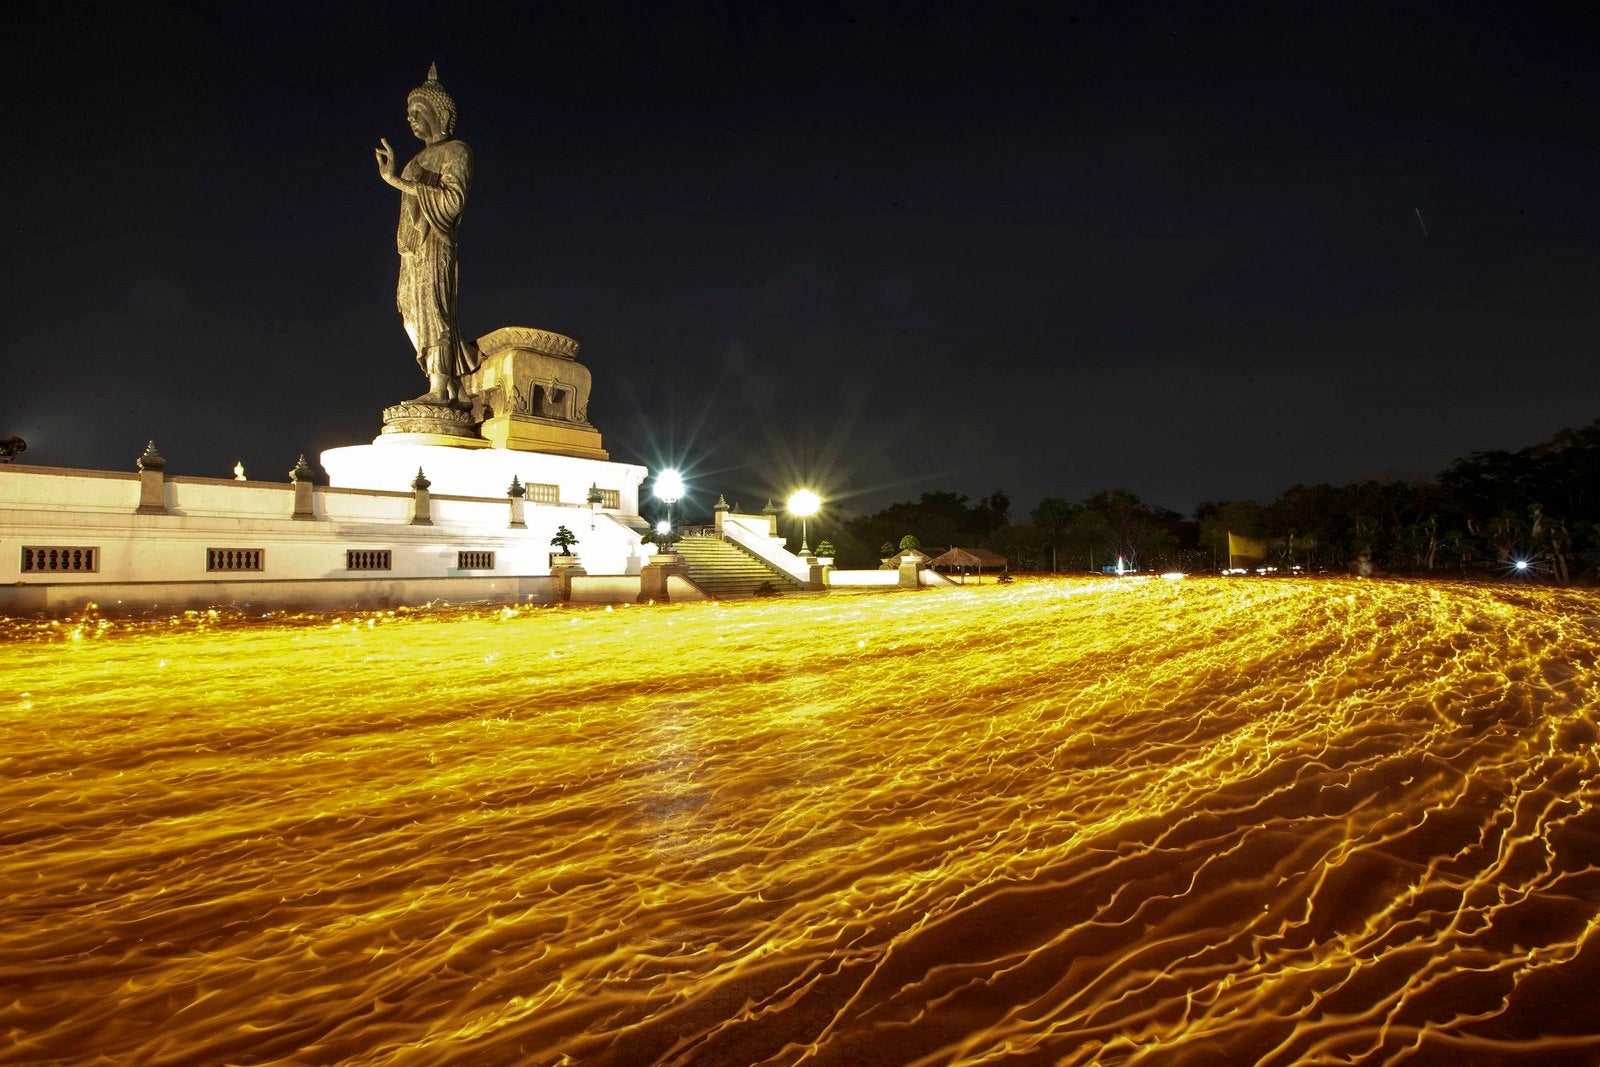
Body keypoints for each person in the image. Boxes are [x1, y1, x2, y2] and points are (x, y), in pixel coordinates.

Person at [375, 64, 476, 407]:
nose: (411, 118)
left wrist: (398, 182)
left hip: (437, 244)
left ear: (439, 113)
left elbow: (452, 201)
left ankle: (439, 386)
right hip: (413, 251)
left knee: (435, 311)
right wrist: (400, 178)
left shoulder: (456, 151)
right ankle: (452, 389)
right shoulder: (413, 162)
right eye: (408, 113)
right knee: (410, 311)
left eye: (418, 111)